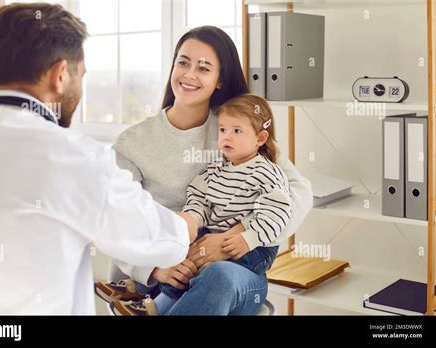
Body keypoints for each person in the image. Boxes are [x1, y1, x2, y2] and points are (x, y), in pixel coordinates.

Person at [0, 3, 197, 315]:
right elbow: (161, 240)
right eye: (81, 75)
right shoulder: (73, 158)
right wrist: (190, 222)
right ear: (60, 74)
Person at [102, 26, 313, 315]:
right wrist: (154, 268)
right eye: (183, 62)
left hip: (232, 272)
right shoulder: (133, 143)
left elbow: (299, 193)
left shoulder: (235, 128)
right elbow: (112, 219)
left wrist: (235, 238)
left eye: (203, 68)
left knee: (219, 278)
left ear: (219, 80)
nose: (189, 75)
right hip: (165, 275)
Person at [109, 94, 293, 316]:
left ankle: (153, 306)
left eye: (237, 131)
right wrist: (192, 218)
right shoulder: (217, 167)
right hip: (213, 238)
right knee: (185, 256)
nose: (227, 137)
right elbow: (200, 197)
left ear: (261, 138)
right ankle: (144, 295)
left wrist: (247, 238)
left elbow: (278, 214)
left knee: (212, 272)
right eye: (223, 130)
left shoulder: (267, 173)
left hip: (254, 249)